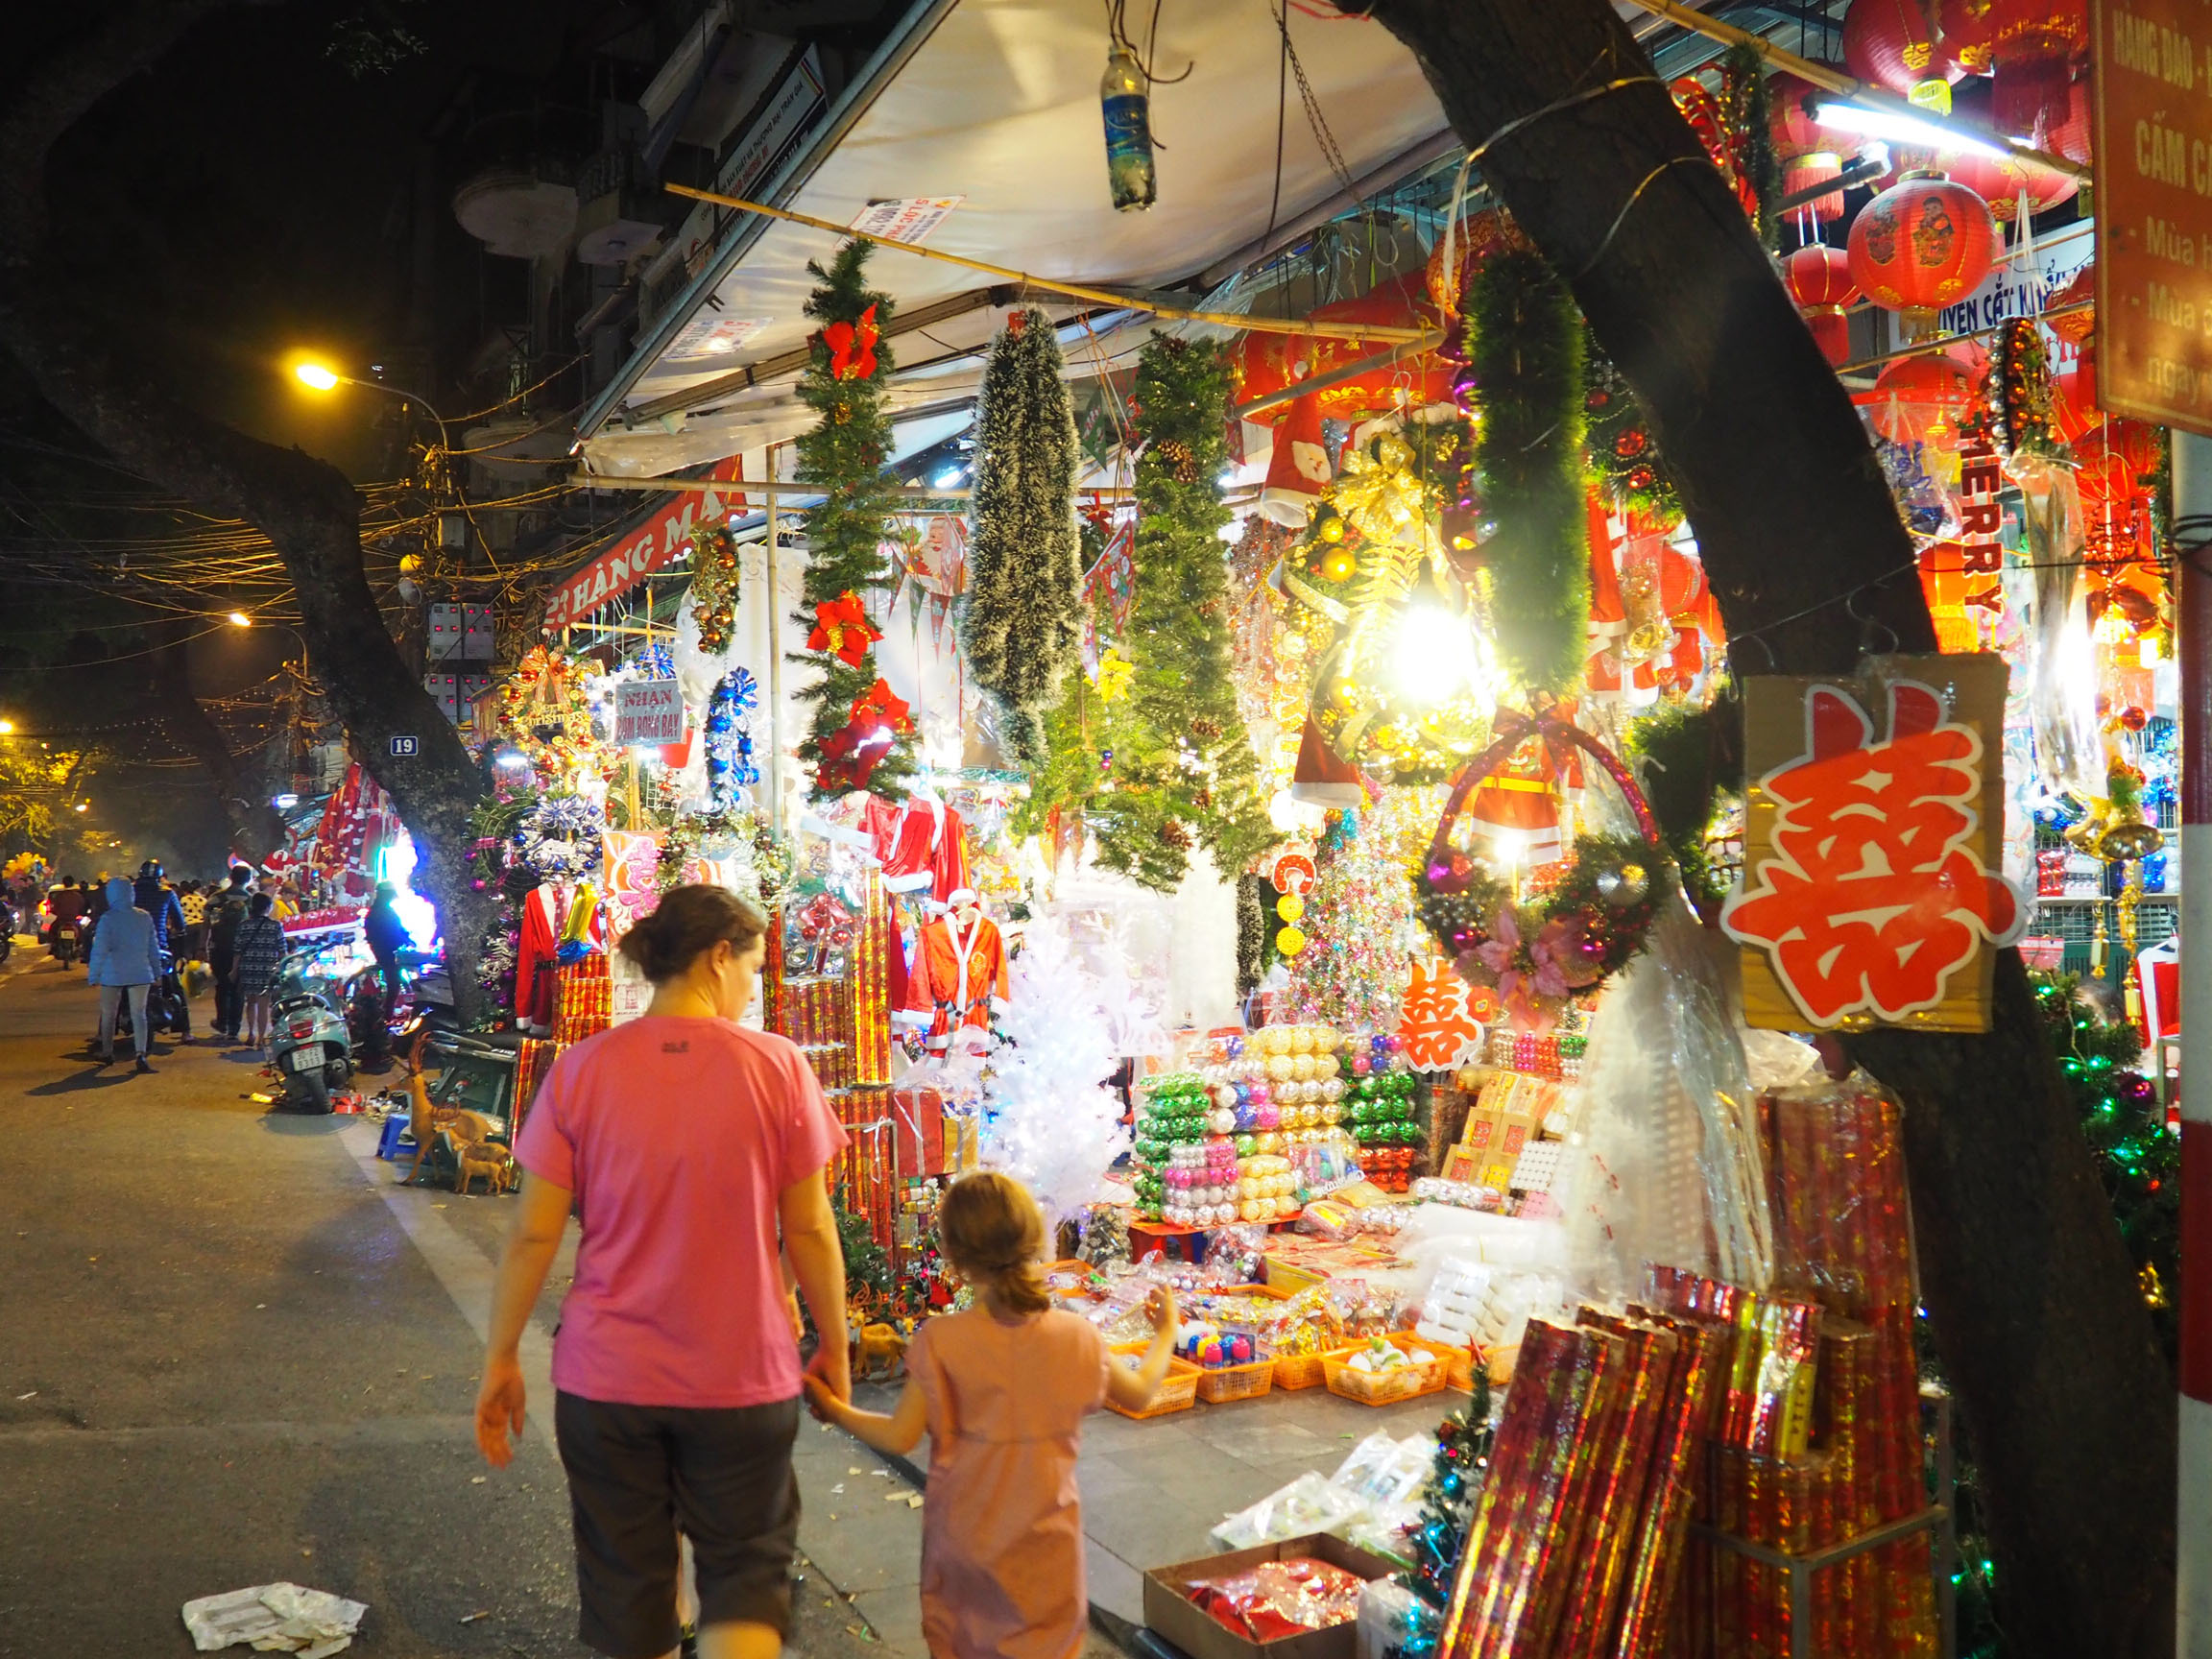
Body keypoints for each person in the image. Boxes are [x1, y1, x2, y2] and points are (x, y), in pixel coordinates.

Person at [474, 884, 851, 1659]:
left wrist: (501, 1356)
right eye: (752, 970)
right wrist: (835, 1345)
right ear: (718, 957)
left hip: (607, 1383)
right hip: (741, 1379)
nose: (752, 990)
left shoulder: (582, 1071)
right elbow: (811, 1228)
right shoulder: (777, 1067)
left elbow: (532, 1234)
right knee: (744, 1577)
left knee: (629, 1595)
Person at [805, 1172, 1178, 1659]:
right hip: (1047, 1554)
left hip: (963, 1553)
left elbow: (899, 1437)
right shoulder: (1076, 1338)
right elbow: (1142, 1392)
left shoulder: (940, 1342)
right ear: (1034, 1239)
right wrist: (1165, 1333)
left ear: (952, 1255)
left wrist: (834, 1408)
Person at [87, 876, 160, 1073]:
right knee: (139, 1014)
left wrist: (94, 974)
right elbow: (153, 947)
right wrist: (157, 971)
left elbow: (100, 949)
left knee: (109, 1014)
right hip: (141, 972)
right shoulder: (144, 917)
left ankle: (107, 1051)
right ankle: (141, 1054)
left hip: (113, 973)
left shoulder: (108, 919)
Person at [133, 861, 193, 1044]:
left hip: (133, 948)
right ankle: (185, 1031)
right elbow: (180, 923)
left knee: (117, 987)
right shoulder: (167, 893)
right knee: (175, 987)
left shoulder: (130, 891)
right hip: (160, 948)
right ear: (160, 876)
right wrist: (175, 931)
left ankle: (103, 1031)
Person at [231, 894, 287, 1052]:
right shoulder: (275, 926)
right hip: (267, 969)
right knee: (263, 1005)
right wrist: (283, 968)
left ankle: (250, 1033)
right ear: (268, 907)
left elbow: (237, 950)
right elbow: (282, 950)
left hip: (248, 967)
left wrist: (234, 970)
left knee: (250, 1002)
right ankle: (261, 1038)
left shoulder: (244, 925)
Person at [204, 867, 253, 1040]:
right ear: (248, 879)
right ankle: (234, 1027)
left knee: (222, 986)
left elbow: (206, 923)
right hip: (243, 950)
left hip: (219, 948)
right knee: (238, 988)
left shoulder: (216, 898)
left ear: (231, 877)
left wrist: (202, 946)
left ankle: (222, 1022)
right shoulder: (251, 900)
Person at [362, 881, 409, 1010]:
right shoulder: (380, 912)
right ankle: (386, 1013)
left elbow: (397, 929)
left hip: (386, 949)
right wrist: (404, 939)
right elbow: (390, 931)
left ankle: (387, 1011)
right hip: (385, 950)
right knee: (394, 983)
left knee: (394, 981)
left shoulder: (382, 910)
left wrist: (406, 938)